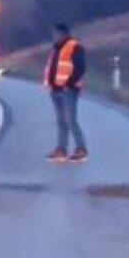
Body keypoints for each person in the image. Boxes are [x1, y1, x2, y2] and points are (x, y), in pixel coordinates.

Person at [45, 23, 88, 163]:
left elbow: (80, 68)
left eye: (56, 33)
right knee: (61, 121)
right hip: (55, 90)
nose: (54, 36)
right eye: (53, 34)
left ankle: (81, 149)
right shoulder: (56, 48)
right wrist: (50, 84)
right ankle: (61, 149)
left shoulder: (74, 47)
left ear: (63, 33)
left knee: (71, 120)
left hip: (68, 90)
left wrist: (69, 84)